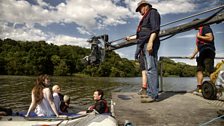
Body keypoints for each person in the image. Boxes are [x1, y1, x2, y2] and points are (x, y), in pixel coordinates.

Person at [126, 0, 161, 102]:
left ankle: (153, 95)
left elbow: (155, 29)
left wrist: (150, 42)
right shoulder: (145, 18)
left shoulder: (153, 13)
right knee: (148, 70)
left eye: (140, 9)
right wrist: (130, 38)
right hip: (144, 45)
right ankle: (150, 92)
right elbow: (140, 35)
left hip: (150, 44)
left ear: (145, 6)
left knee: (151, 69)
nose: (139, 12)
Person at [190, 19, 216, 94]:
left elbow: (210, 38)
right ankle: (199, 88)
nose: (193, 26)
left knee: (210, 69)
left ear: (198, 23)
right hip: (201, 52)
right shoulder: (199, 32)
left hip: (208, 50)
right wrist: (193, 55)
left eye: (194, 24)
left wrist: (199, 36)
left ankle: (214, 88)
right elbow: (198, 46)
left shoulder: (205, 27)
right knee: (199, 70)